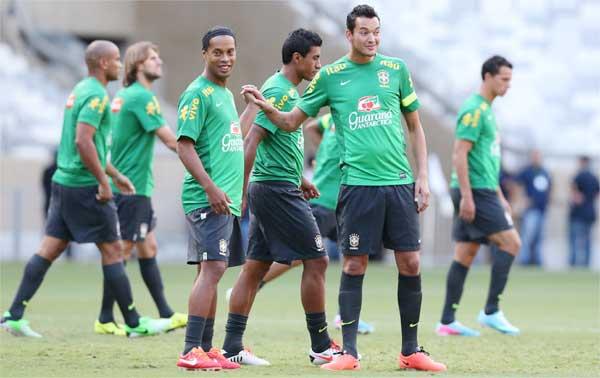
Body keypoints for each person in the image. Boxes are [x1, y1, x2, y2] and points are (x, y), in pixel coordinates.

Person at [241, 5, 446, 372]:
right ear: (349, 35)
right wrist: (265, 108)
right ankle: (348, 352)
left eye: (376, 31)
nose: (371, 38)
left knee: (411, 262)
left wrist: (423, 178)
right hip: (356, 186)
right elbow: (291, 123)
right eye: (364, 32)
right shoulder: (331, 77)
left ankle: (411, 350)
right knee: (353, 263)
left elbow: (415, 127)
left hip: (398, 183)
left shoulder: (395, 70)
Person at [0, 40, 170, 338]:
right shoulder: (96, 97)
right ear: (103, 64)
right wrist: (104, 182)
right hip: (82, 186)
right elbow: (83, 141)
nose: (120, 64)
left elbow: (90, 144)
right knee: (114, 250)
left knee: (49, 248)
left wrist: (114, 174)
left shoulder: (80, 89)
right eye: (117, 59)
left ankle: (13, 315)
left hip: (63, 182)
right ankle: (133, 322)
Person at [221, 28, 340, 367]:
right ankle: (320, 346)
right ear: (297, 58)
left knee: (255, 267)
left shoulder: (284, 89)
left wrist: (299, 178)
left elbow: (276, 144)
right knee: (317, 260)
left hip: (277, 185)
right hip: (274, 191)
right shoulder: (280, 92)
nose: (319, 64)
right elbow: (251, 142)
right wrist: (240, 192)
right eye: (315, 58)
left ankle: (231, 346)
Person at [231, 114, 375, 335]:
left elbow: (312, 126)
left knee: (354, 255)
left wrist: (322, 154)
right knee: (307, 256)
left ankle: (346, 315)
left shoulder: (332, 119)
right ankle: (257, 283)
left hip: (338, 200)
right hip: (326, 199)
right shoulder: (359, 122)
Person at [94, 41, 186, 336]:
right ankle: (108, 318)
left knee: (148, 247)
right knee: (121, 252)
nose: (159, 62)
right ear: (137, 65)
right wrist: (205, 161)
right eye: (153, 58)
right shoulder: (144, 98)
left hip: (131, 186)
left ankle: (166, 313)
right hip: (133, 189)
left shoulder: (124, 95)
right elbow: (171, 141)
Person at [175, 27, 245, 372]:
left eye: (230, 51)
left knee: (212, 270)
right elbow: (183, 145)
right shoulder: (197, 94)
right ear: (204, 54)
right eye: (217, 52)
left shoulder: (225, 95)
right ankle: (190, 350)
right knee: (213, 268)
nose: (225, 58)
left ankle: (206, 346)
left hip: (226, 201)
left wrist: (254, 109)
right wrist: (210, 187)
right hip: (207, 200)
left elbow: (232, 137)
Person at [436, 55, 522, 338]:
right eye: (504, 79)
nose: (508, 85)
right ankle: (491, 311)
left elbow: (486, 160)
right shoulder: (473, 110)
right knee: (511, 243)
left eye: (510, 79)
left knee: (466, 251)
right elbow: (459, 154)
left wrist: (499, 194)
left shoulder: (487, 110)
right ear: (487, 77)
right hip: (474, 191)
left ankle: (447, 320)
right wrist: (468, 197)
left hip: (484, 189)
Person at [516, 149, 552, 266]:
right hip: (531, 210)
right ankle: (524, 260)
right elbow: (515, 184)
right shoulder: (527, 171)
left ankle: (537, 260)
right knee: (527, 236)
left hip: (542, 209)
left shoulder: (544, 172)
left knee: (539, 237)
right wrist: (522, 199)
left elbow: (549, 188)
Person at [569, 156, 599, 267]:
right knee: (587, 241)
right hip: (590, 213)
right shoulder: (594, 178)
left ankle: (574, 263)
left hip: (578, 214)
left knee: (575, 240)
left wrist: (577, 198)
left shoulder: (579, 176)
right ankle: (585, 264)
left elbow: (574, 192)